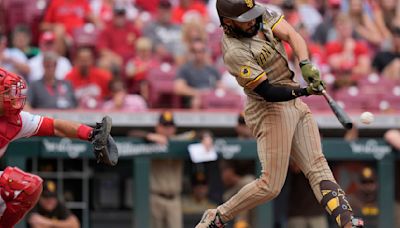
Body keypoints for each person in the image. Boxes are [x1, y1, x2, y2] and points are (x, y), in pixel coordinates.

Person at [195, 0, 364, 227]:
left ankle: (346, 219)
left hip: (292, 99)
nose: (253, 20)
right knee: (270, 185)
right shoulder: (234, 50)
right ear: (228, 22)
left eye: (253, 14)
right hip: (268, 108)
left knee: (317, 165)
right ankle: (218, 216)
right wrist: (304, 90)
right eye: (245, 19)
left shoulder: (257, 14)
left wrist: (305, 64)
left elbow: (293, 35)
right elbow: (268, 92)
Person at [0, 67, 117, 227]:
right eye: (6, 92)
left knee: (29, 186)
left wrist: (92, 134)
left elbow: (55, 126)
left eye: (11, 91)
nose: (12, 97)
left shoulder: (16, 120)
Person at [128, 111, 188, 228]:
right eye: (164, 126)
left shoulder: (179, 142)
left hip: (174, 199)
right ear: (158, 127)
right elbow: (131, 134)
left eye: (170, 126)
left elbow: (200, 134)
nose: (167, 130)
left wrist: (206, 137)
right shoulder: (151, 141)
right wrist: (150, 136)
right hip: (155, 198)